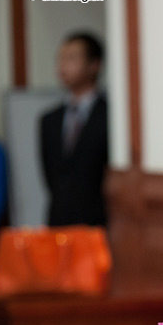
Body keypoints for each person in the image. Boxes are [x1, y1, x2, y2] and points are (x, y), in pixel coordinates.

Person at [39, 32, 109, 226]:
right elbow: (50, 177)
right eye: (60, 58)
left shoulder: (110, 116)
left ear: (94, 65)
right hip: (59, 221)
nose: (62, 65)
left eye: (71, 58)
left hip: (97, 223)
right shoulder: (49, 120)